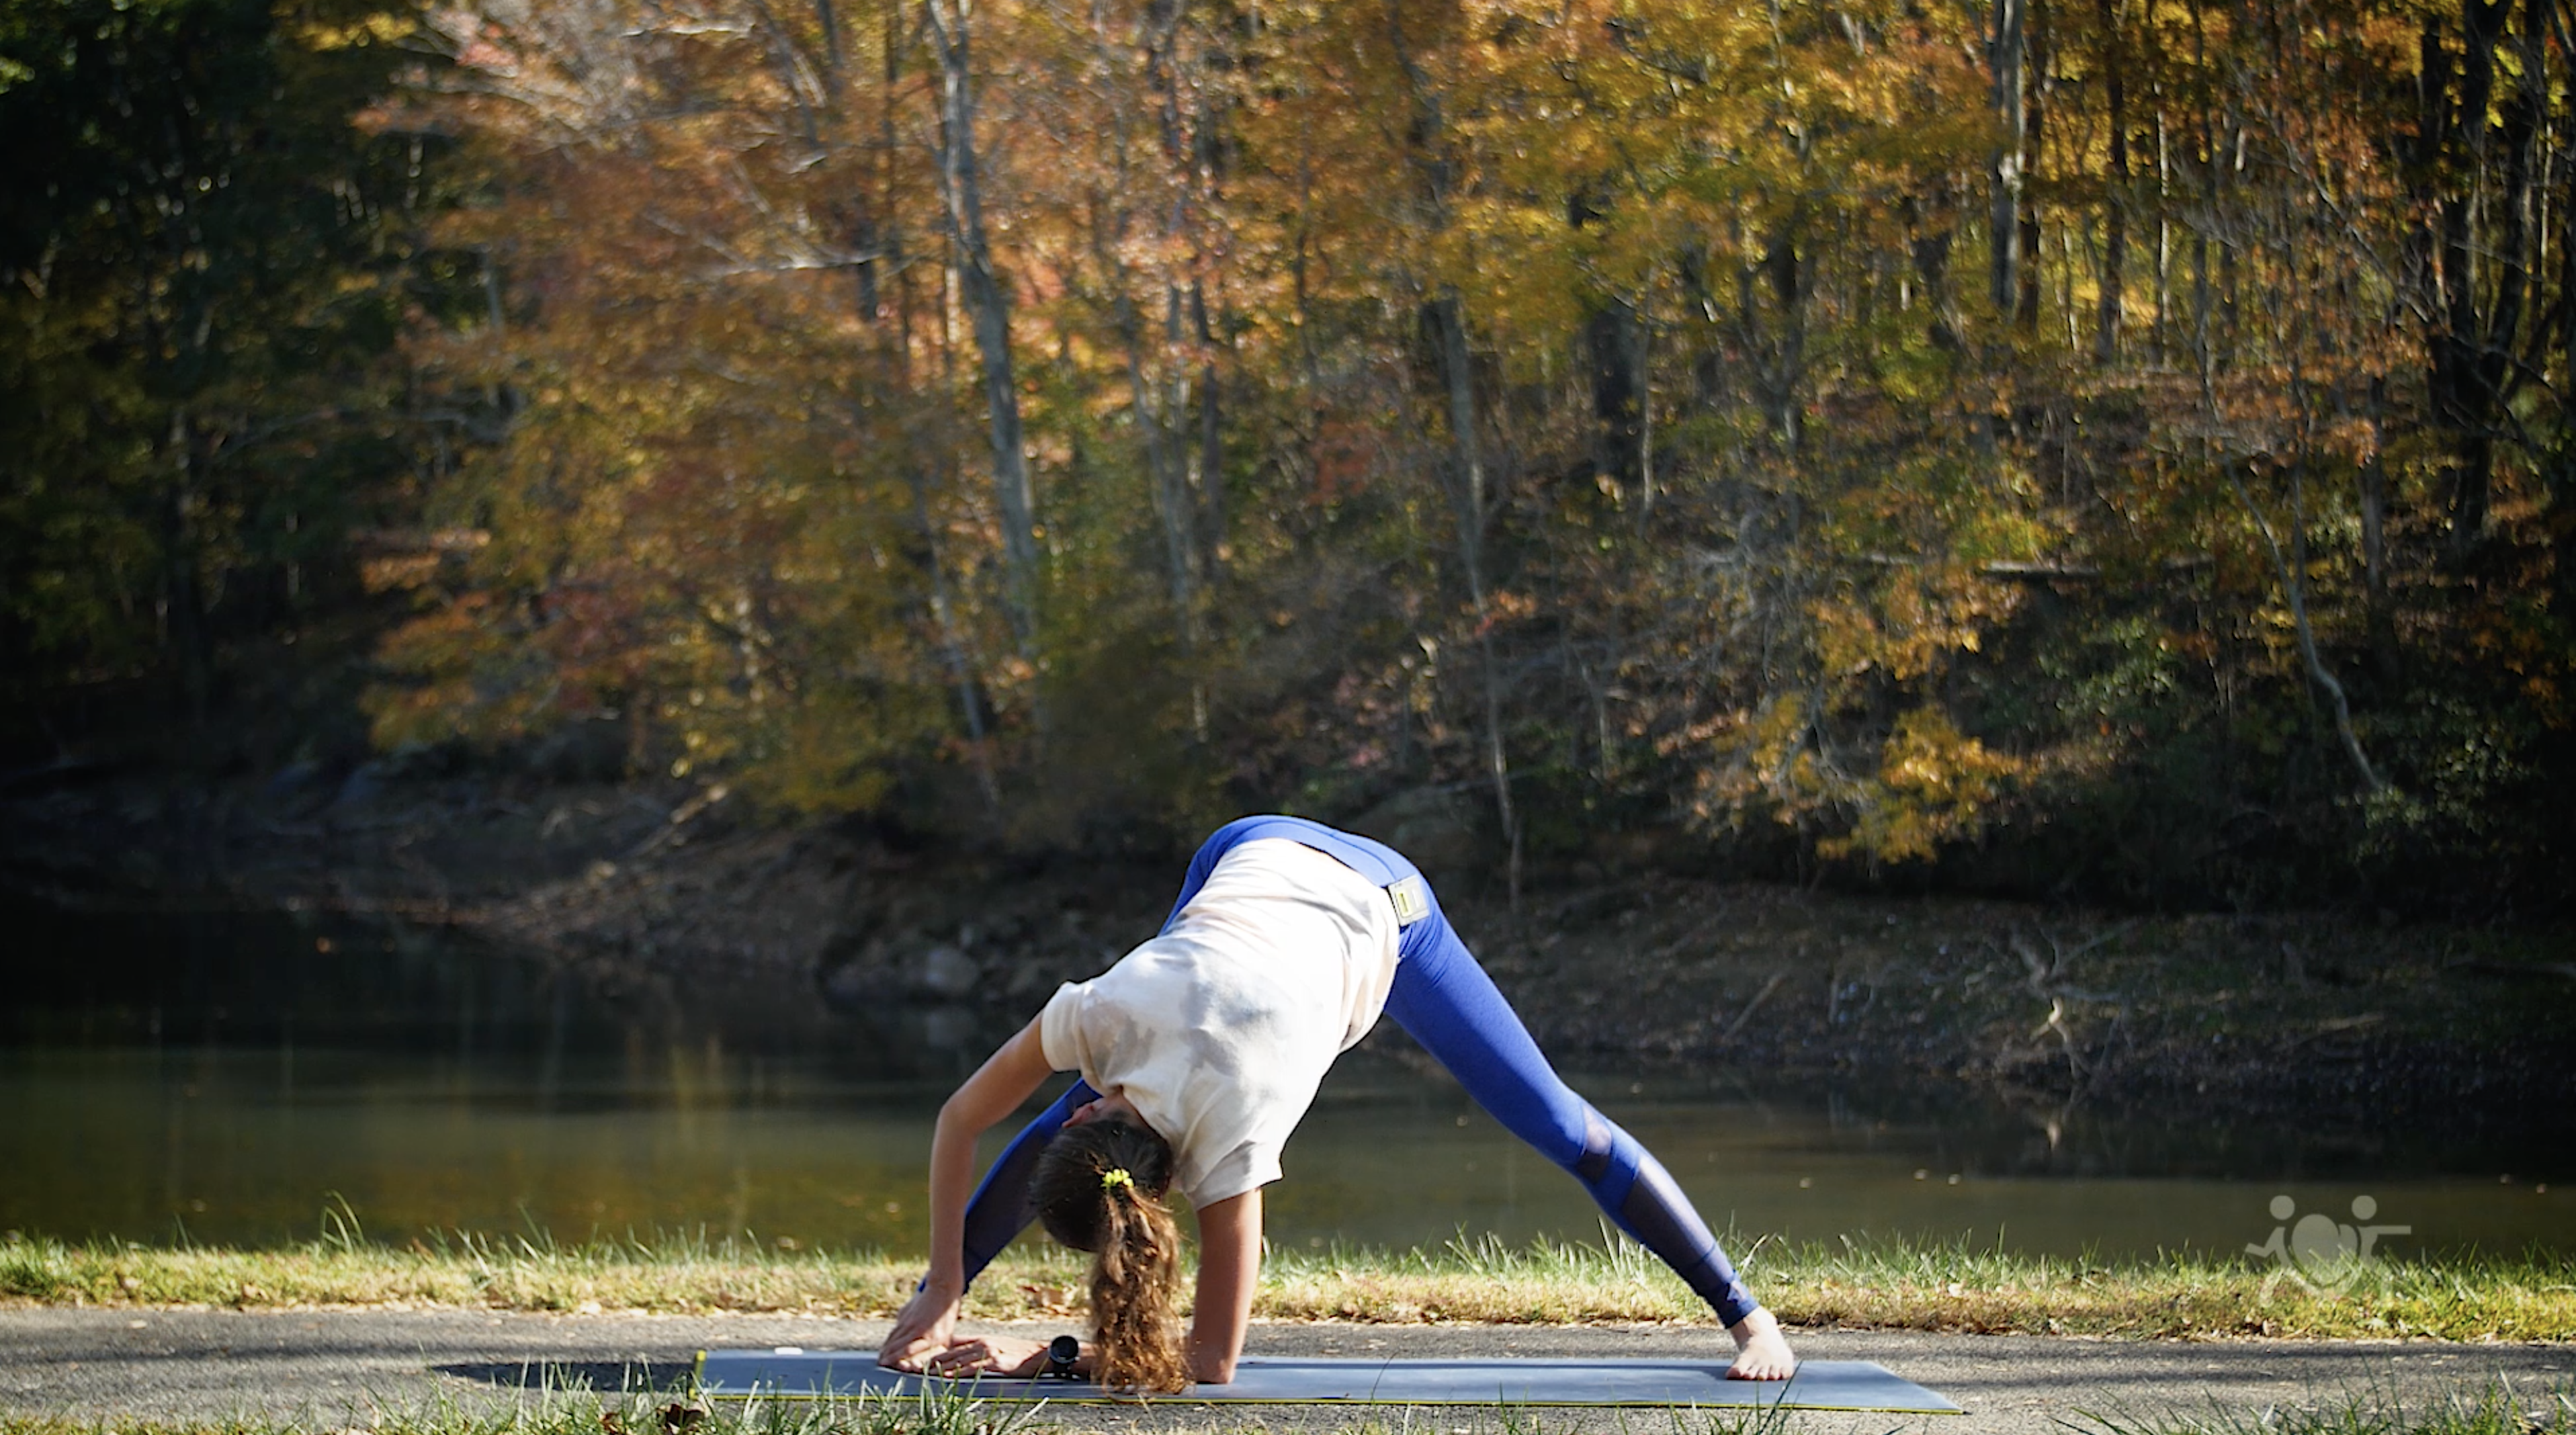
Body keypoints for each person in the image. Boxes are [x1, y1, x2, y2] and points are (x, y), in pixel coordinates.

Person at [877, 815, 1797, 1391]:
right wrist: (946, 1288)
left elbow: (1211, 1365)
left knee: (1555, 1120)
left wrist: (1047, 1354)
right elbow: (961, 1115)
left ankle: (1745, 1310)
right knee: (1105, 1102)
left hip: (1381, 906)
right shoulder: (1102, 1012)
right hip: (1247, 847)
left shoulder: (1223, 1146)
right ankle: (1747, 1320)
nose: (1079, 1111)